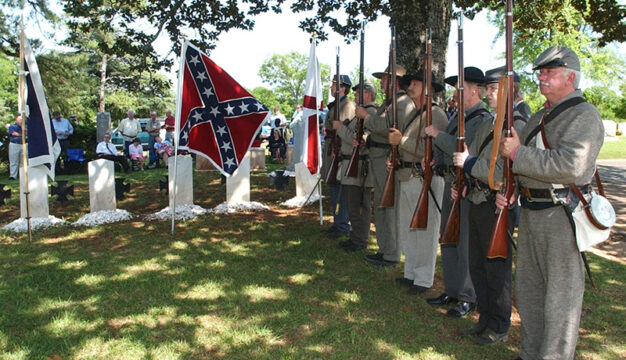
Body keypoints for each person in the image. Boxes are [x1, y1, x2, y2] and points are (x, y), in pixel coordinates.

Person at [497, 46, 603, 360]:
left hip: (561, 217)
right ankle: (530, 353)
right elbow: (524, 162)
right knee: (529, 293)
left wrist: (518, 154)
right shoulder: (540, 115)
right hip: (531, 212)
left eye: (549, 73)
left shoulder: (585, 115)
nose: (541, 78)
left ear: (571, 77)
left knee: (560, 300)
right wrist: (514, 188)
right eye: (541, 72)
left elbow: (572, 166)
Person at [451, 66, 527, 345]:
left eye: (494, 89)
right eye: (488, 89)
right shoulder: (489, 122)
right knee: (478, 264)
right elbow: (478, 155)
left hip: (498, 204)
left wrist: (469, 164)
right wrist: (466, 182)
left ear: (510, 91)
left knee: (497, 268)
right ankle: (485, 317)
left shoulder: (515, 122)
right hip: (479, 198)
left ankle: (498, 325)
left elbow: (496, 169)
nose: (489, 94)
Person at [424, 67, 492, 316]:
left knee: (464, 243)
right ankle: (452, 289)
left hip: (467, 187)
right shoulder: (459, 117)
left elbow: (465, 150)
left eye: (460, 88)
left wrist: (438, 135)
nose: (455, 93)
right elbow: (451, 154)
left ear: (475, 90)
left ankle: (467, 295)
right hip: (453, 183)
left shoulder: (481, 118)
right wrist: (437, 161)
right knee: (449, 237)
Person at [357, 65, 405, 267]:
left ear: (395, 81)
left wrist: (366, 117)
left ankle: (392, 253)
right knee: (381, 206)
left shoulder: (400, 103)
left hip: (386, 158)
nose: (381, 82)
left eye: (385, 79)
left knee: (389, 207)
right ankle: (384, 249)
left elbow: (388, 129)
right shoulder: (389, 103)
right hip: (377, 157)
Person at [335, 81, 377, 252]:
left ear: (368, 94)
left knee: (359, 205)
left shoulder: (370, 113)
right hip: (352, 162)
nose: (355, 95)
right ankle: (355, 237)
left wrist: (340, 129)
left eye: (359, 92)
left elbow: (358, 140)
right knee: (353, 205)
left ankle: (360, 240)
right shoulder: (360, 114)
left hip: (359, 164)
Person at [322, 74, 354, 239]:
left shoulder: (346, 105)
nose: (331, 87)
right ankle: (337, 222)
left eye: (335, 85)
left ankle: (342, 224)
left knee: (341, 190)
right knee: (334, 187)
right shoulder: (337, 104)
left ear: (342, 88)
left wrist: (340, 152)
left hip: (339, 151)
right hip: (332, 150)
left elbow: (344, 129)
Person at [8, 115, 25, 180]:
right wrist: (22, 134)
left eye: (22, 120)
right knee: (13, 161)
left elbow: (27, 133)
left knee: (23, 161)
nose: (21, 121)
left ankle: (23, 175)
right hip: (14, 144)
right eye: (20, 120)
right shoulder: (12, 126)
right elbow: (13, 133)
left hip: (23, 144)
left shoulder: (25, 126)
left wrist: (22, 132)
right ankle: (13, 175)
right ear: (16, 120)